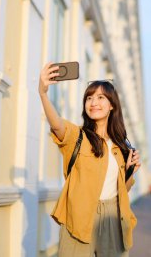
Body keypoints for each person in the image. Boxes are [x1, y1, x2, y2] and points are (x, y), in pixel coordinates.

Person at [39, 62, 141, 257]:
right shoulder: (77, 137)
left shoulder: (122, 147)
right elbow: (58, 125)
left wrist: (130, 171)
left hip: (113, 217)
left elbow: (123, 191)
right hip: (79, 217)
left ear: (112, 105)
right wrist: (43, 94)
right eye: (89, 98)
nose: (93, 102)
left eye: (101, 97)